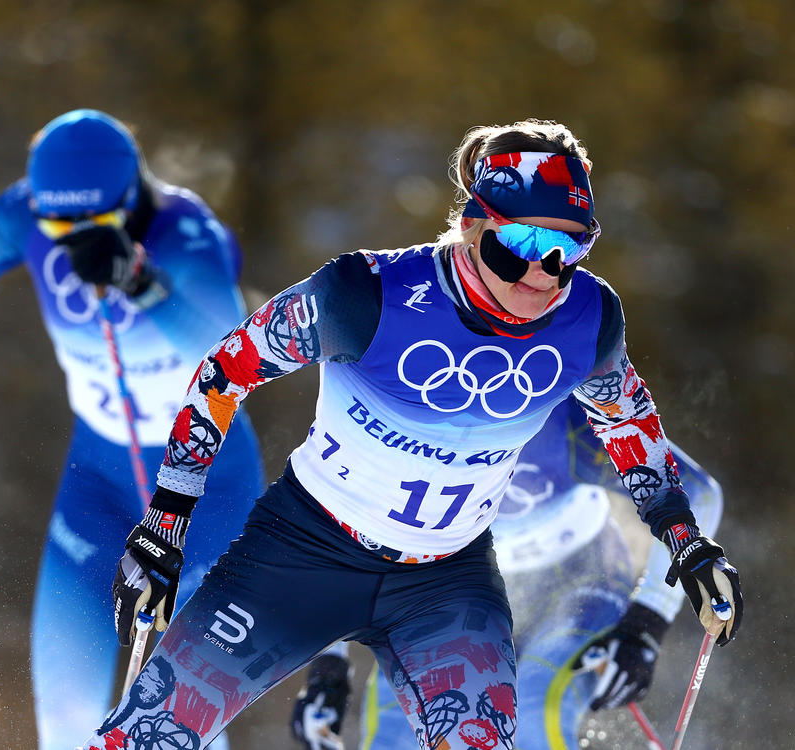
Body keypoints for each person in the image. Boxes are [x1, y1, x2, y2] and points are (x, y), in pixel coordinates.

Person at [79, 119, 743, 750]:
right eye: (517, 249)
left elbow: (628, 422)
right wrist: (165, 526)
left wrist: (686, 547)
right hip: (305, 553)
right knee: (148, 736)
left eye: (566, 250)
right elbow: (226, 372)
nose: (540, 276)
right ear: (471, 223)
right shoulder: (364, 295)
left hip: (446, 580)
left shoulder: (589, 321)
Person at [0, 109, 265, 750]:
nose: (67, 239)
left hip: (205, 484)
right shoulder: (22, 214)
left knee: (182, 710)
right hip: (99, 478)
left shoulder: (186, 230)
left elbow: (239, 351)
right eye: (55, 222)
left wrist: (141, 282)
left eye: (88, 224)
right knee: (64, 709)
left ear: (132, 196)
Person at [289, 395, 725, 750]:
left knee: (537, 710)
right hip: (451, 590)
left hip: (575, 581)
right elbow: (338, 532)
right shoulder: (395, 417)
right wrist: (328, 668)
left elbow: (699, 494)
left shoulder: (562, 419)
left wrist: (643, 626)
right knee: (396, 735)